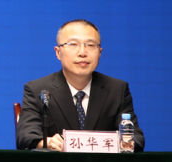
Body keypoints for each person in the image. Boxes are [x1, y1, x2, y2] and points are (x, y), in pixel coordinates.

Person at [16, 19, 144, 152]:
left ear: (100, 52)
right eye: (73, 44)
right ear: (58, 52)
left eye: (90, 45)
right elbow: (25, 136)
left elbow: (136, 138)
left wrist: (121, 143)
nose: (82, 52)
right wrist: (46, 142)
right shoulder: (38, 90)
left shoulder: (117, 90)